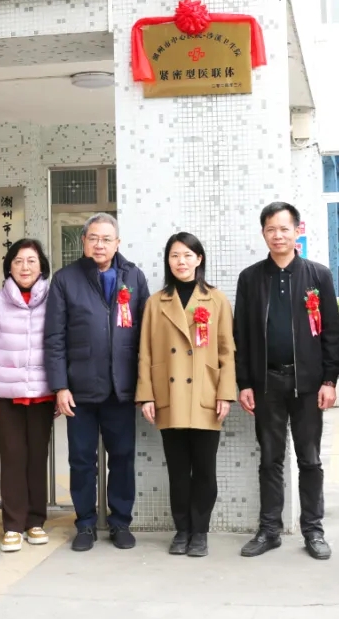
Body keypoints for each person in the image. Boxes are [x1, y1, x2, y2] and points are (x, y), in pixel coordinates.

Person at [234, 201, 339, 560]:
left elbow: (332, 331)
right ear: (263, 233)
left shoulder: (317, 275)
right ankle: (269, 530)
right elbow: (241, 335)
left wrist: (329, 380)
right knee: (270, 459)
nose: (278, 235)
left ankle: (313, 530)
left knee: (309, 459)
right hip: (267, 383)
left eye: (284, 229)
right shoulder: (251, 278)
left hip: (308, 384)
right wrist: (245, 383)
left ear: (297, 231)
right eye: (271, 229)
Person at [44, 213, 150, 551]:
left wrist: (145, 386)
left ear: (117, 243)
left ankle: (120, 523)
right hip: (80, 389)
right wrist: (60, 386)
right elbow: (55, 337)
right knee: (81, 460)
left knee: (122, 458)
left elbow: (147, 334)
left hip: (122, 387)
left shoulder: (133, 276)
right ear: (83, 242)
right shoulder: (65, 279)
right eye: (93, 238)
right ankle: (85, 524)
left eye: (106, 239)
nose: (99, 244)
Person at [136, 232, 236, 557]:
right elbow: (145, 352)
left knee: (205, 470)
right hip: (170, 395)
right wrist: (146, 396)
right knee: (178, 471)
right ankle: (182, 530)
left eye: (187, 255)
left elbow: (227, 351)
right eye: (175, 255)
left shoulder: (216, 300)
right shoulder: (156, 302)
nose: (181, 261)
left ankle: (200, 532)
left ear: (199, 259)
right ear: (168, 261)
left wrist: (225, 393)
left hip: (206, 394)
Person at [0, 239, 55, 553]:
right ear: (9, 266)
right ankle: (12, 525)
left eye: (31, 260)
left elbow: (61, 345)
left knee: (37, 459)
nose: (25, 267)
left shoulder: (54, 300)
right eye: (18, 261)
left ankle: (35, 521)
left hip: (43, 394)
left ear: (41, 266)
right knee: (12, 459)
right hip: (6, 395)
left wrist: (61, 388)